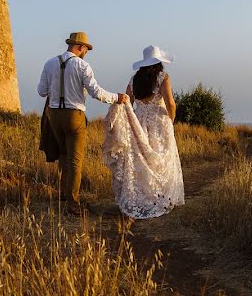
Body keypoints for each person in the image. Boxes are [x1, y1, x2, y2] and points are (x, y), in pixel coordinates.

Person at [38, 32, 129, 215]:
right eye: (86, 49)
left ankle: (64, 194)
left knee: (63, 154)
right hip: (74, 115)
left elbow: (41, 91)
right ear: (80, 47)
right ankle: (72, 204)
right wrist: (116, 98)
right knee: (76, 160)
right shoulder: (82, 65)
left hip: (54, 115)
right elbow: (96, 92)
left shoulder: (49, 63)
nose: (86, 52)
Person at [102, 45, 184, 219]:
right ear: (159, 62)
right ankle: (160, 195)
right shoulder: (163, 77)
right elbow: (170, 103)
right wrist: (171, 120)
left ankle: (143, 197)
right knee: (161, 160)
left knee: (141, 159)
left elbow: (127, 104)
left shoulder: (134, 80)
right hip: (159, 121)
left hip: (138, 122)